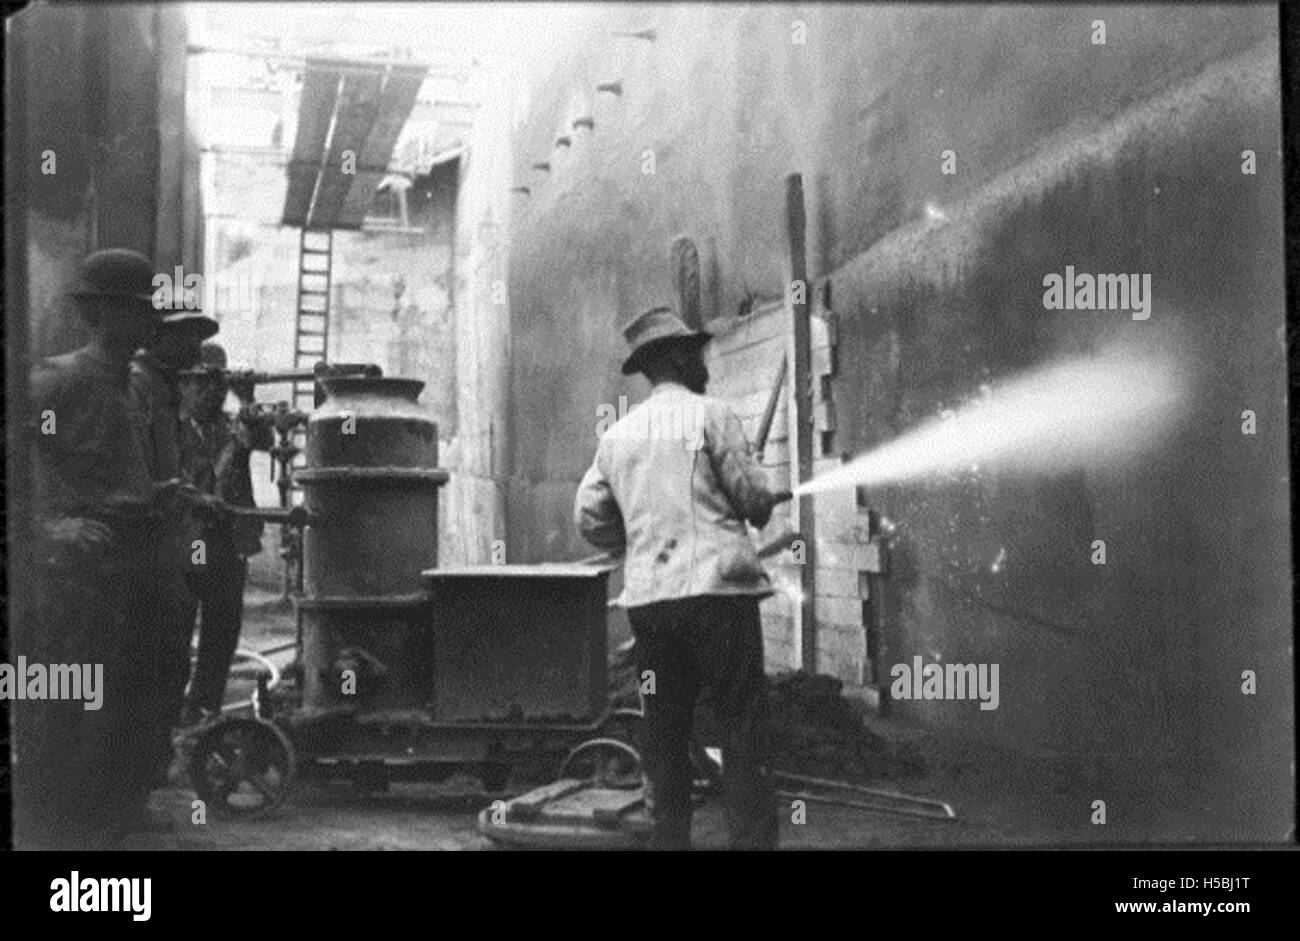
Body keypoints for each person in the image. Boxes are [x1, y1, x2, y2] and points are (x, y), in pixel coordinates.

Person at [574, 305, 791, 850]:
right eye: (695, 352)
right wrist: (762, 497)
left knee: (664, 728)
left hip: (652, 606)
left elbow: (588, 518)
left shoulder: (618, 436)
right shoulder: (712, 415)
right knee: (742, 727)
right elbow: (750, 499)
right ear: (672, 357)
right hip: (717, 598)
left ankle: (669, 843)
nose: (705, 362)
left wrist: (639, 542)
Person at [24, 248, 169, 847]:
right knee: (76, 702)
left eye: (148, 310)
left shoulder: (133, 385)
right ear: (101, 314)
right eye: (134, 311)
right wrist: (44, 528)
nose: (148, 323)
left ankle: (111, 822)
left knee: (140, 697)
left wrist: (156, 494)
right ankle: (60, 834)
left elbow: (112, 472)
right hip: (79, 573)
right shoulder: (58, 381)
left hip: (135, 562)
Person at [129, 301, 220, 782]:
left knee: (171, 657)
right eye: (186, 335)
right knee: (153, 659)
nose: (195, 346)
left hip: (172, 542)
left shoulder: (166, 389)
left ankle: (153, 761)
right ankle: (138, 769)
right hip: (146, 544)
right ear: (159, 337)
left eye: (198, 336)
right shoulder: (139, 385)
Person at [176, 342, 274, 723]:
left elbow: (262, 441)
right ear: (184, 385)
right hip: (191, 538)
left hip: (229, 540)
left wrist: (247, 399)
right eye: (201, 383)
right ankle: (171, 711)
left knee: (222, 629)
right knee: (179, 628)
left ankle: (204, 711)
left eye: (217, 382)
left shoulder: (234, 424)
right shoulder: (172, 426)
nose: (210, 391)